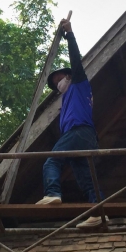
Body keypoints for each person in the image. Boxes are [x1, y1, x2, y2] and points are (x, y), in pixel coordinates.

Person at [35, 19, 108, 228]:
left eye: (59, 79)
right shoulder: (67, 98)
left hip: (78, 133)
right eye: (55, 83)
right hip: (85, 138)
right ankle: (98, 211)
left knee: (51, 161)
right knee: (86, 178)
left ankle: (52, 193)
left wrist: (70, 35)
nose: (57, 84)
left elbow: (76, 60)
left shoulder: (78, 84)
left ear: (68, 76)